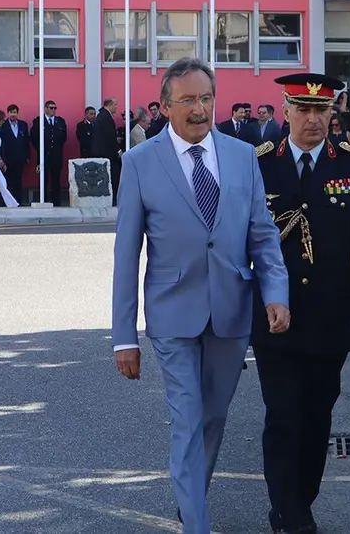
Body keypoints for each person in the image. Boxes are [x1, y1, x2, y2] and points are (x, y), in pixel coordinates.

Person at [111, 57, 289, 534]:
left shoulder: (241, 155)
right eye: (187, 99)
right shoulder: (139, 162)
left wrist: (276, 293)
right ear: (165, 107)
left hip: (232, 310)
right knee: (188, 418)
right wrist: (122, 337)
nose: (199, 108)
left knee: (213, 418)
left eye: (206, 98)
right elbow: (126, 256)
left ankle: (192, 499)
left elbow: (263, 235)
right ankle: (196, 523)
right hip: (172, 314)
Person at [251, 72, 350, 533]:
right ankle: (290, 512)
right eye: (302, 109)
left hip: (332, 316)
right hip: (275, 317)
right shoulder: (258, 164)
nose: (312, 119)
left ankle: (298, 501)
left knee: (316, 419)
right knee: (283, 415)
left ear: (333, 113)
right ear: (285, 111)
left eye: (321, 111)